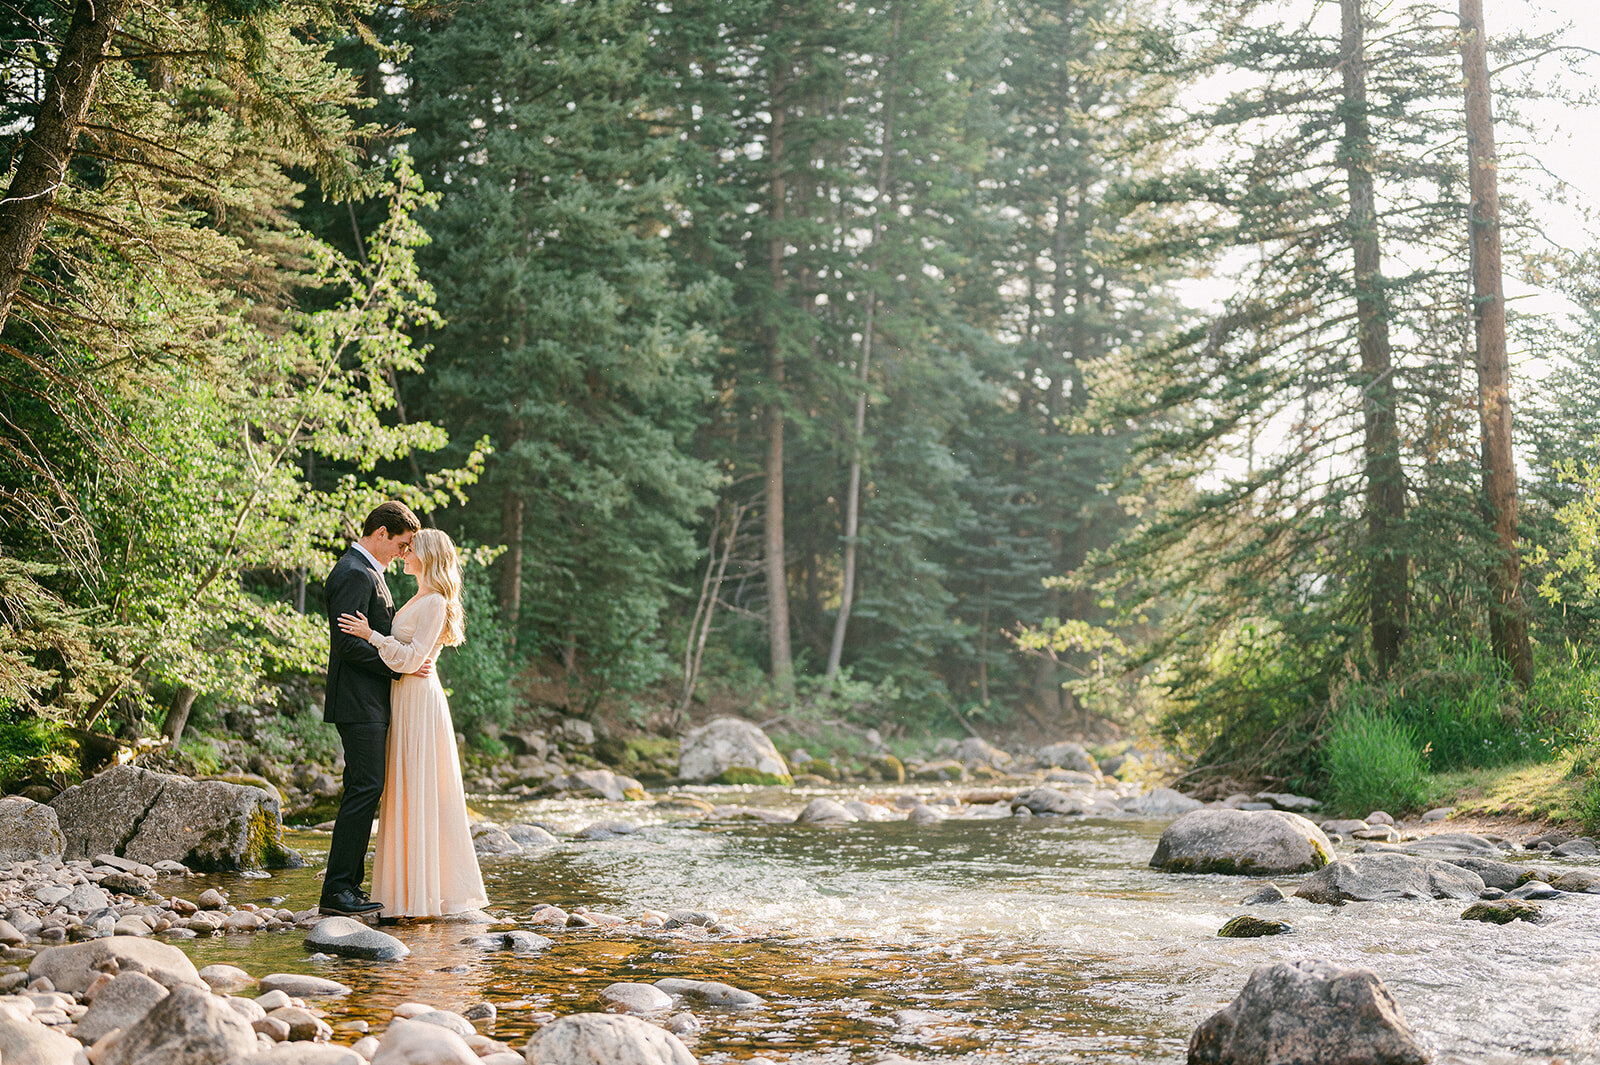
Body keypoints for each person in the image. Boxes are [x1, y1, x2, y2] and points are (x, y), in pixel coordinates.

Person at [337, 527, 488, 917]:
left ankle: (419, 896)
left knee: (419, 789)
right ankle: (402, 892)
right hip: (402, 700)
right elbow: (406, 657)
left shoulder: (435, 601)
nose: (404, 553)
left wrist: (371, 635)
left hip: (419, 702)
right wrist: (390, 647)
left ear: (429, 556)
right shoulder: (417, 597)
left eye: (411, 549)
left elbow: (409, 659)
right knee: (402, 790)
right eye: (404, 546)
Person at [320, 500, 422, 918]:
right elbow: (347, 644)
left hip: (368, 701)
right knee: (364, 789)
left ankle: (349, 887)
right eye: (400, 544)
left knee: (366, 788)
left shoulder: (367, 572)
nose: (402, 554)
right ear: (380, 533)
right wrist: (400, 666)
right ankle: (338, 889)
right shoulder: (353, 572)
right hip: (358, 701)